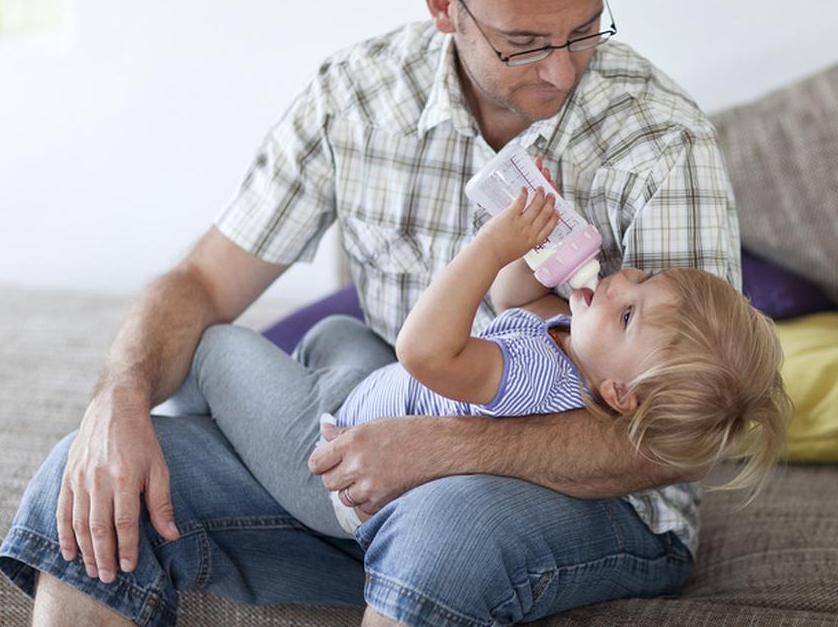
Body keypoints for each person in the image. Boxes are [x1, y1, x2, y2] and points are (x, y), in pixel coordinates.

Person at [0, 0, 747, 627]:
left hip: (598, 500)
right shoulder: (354, 101)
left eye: (584, 30)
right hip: (367, 457)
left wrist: (441, 448)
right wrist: (117, 397)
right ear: (444, 7)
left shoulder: (660, 143)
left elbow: (683, 436)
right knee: (91, 480)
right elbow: (202, 284)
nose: (561, 71)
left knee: (443, 525)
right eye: (524, 42)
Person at [158, 185, 788, 540]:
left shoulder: (537, 377)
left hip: (337, 463)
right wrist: (535, 236)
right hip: (375, 396)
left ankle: (203, 426)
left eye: (628, 315)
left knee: (217, 347)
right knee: (336, 332)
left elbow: (422, 351)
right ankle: (256, 410)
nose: (621, 282)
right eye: (643, 277)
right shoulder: (568, 343)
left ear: (621, 395)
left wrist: (492, 245)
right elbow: (512, 298)